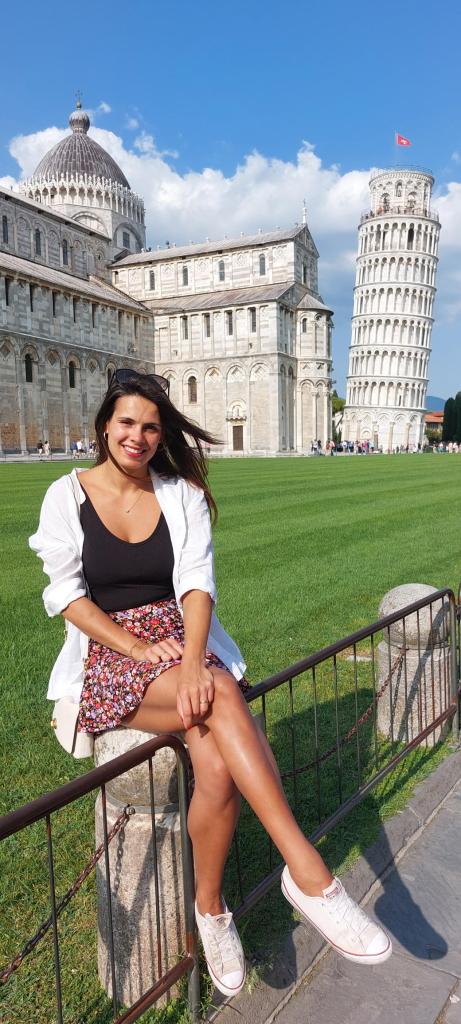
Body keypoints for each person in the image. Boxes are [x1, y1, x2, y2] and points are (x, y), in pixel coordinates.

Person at [30, 369, 391, 998]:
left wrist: (195, 660)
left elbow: (197, 582)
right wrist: (139, 647)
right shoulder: (67, 495)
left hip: (183, 644)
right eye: (127, 422)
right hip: (112, 656)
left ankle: (212, 910)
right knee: (222, 695)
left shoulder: (181, 494)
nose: (139, 436)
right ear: (105, 426)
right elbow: (67, 597)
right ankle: (307, 872)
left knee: (217, 765)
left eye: (151, 427)